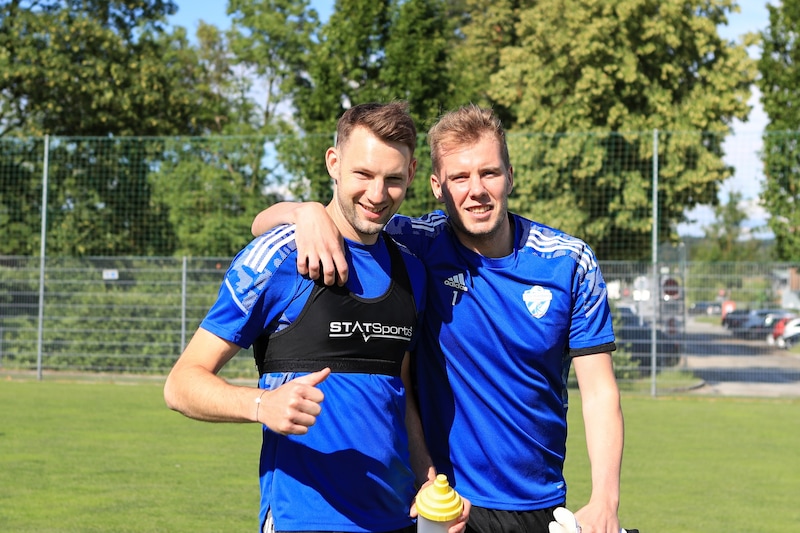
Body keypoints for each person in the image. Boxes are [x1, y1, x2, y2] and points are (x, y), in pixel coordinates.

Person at [252, 104, 625, 533]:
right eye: (460, 178)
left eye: (489, 173)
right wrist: (304, 211)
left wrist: (604, 501)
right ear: (436, 186)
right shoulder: (414, 242)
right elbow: (263, 224)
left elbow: (598, 392)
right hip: (442, 504)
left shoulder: (569, 261)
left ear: (510, 175)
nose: (477, 190)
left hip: (538, 502)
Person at [164, 102, 469, 533]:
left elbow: (399, 393)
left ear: (413, 173)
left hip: (398, 520)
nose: (377, 195)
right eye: (363, 175)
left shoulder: (411, 271)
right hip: (301, 520)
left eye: (393, 179)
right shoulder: (278, 257)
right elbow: (181, 383)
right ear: (334, 163)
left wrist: (425, 479)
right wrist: (260, 404)